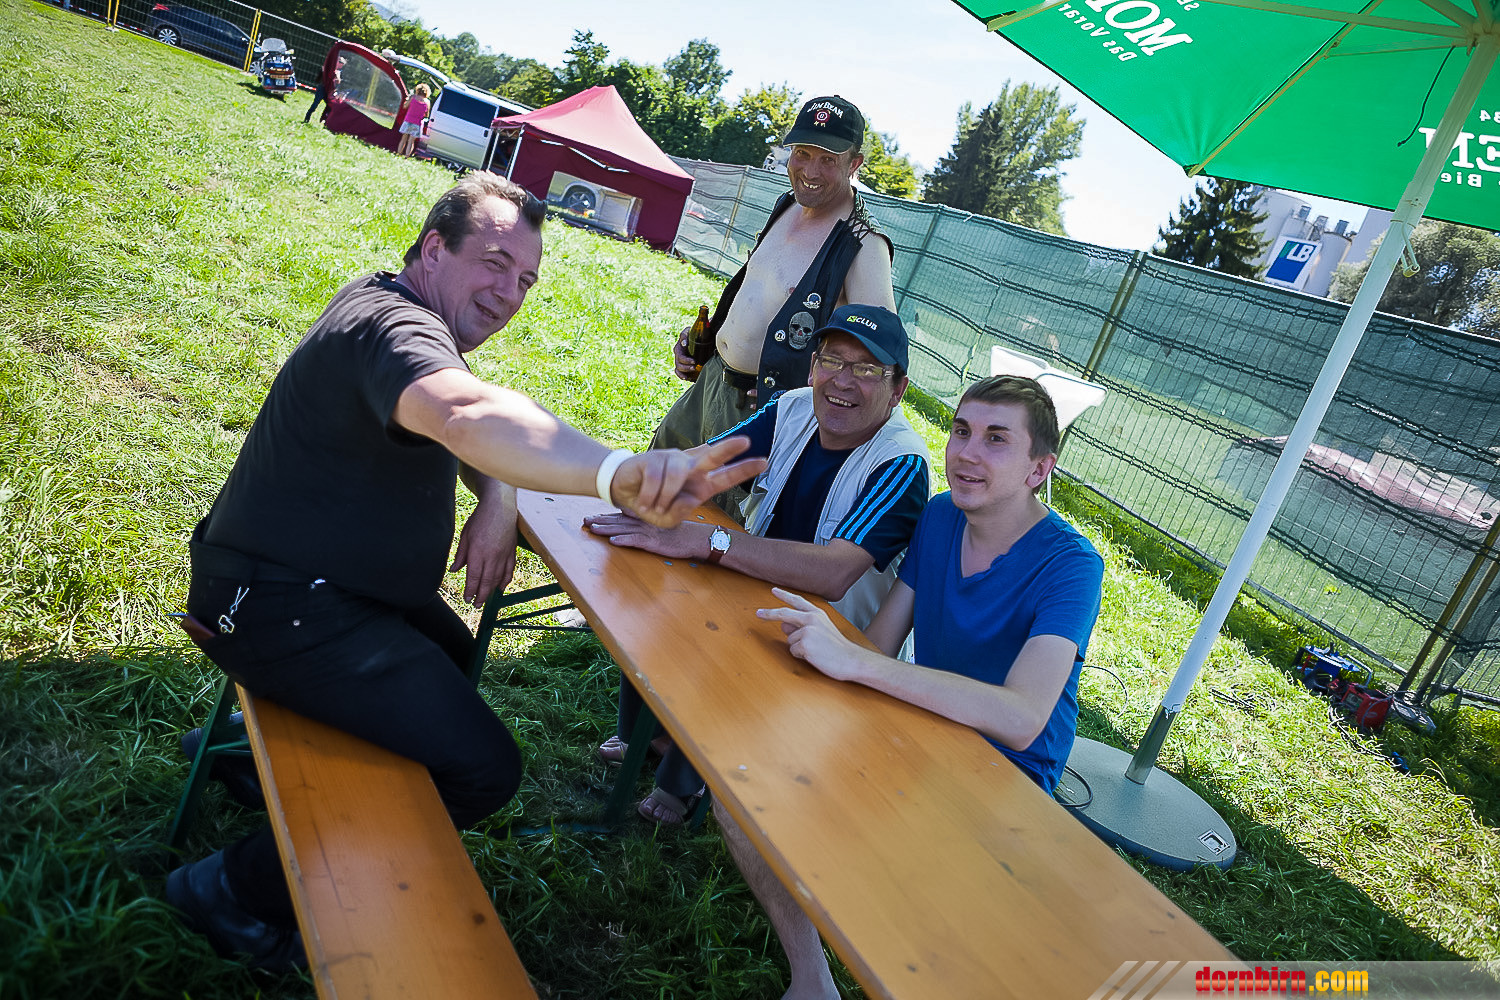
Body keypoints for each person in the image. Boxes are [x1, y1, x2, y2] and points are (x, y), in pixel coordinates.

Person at [163, 173, 764, 971]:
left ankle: (253, 762)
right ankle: (233, 890)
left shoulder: (393, 306)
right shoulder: (395, 328)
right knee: (484, 770)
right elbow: (467, 413)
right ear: (433, 249)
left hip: (307, 588)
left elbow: (461, 418)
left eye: (526, 280)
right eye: (494, 263)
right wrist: (618, 472)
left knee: (451, 655)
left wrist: (499, 496)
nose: (509, 293)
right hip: (274, 607)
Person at [730, 374, 1106, 999]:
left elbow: (1021, 718)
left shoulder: (1071, 564)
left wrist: (859, 666)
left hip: (1005, 777)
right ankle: (812, 980)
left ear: (1039, 470)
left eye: (996, 439)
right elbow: (877, 645)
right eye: (961, 431)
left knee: (910, 911)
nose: (967, 453)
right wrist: (815, 647)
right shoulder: (939, 516)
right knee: (738, 782)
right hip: (913, 730)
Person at [586, 304, 931, 824]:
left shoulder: (902, 461)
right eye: (832, 360)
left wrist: (708, 541)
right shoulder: (793, 407)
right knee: (658, 586)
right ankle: (648, 736)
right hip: (757, 583)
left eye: (866, 370)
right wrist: (626, 481)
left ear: (897, 390)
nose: (843, 381)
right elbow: (702, 463)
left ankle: (683, 784)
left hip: (829, 632)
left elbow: (833, 574)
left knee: (722, 634)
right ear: (812, 367)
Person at [651, 96, 897, 514]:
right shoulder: (787, 205)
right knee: (651, 486)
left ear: (854, 164)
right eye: (802, 154)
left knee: (705, 527)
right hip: (710, 384)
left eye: (828, 159)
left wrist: (801, 399)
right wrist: (711, 342)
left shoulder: (863, 245)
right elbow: (758, 293)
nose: (810, 171)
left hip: (756, 414)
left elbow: (881, 358)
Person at [303, 53, 344, 124]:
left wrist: (337, 76)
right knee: (315, 104)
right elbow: (323, 73)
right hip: (322, 88)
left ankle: (325, 120)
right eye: (339, 62)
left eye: (342, 64)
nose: (340, 65)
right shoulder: (328, 67)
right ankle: (307, 119)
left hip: (330, 91)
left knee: (330, 106)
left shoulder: (339, 72)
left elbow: (338, 82)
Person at [396, 82, 430, 157]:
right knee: (411, 142)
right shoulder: (427, 102)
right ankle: (406, 156)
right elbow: (426, 115)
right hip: (417, 123)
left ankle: (398, 154)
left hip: (408, 121)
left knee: (403, 139)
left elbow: (405, 106)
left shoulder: (413, 97)